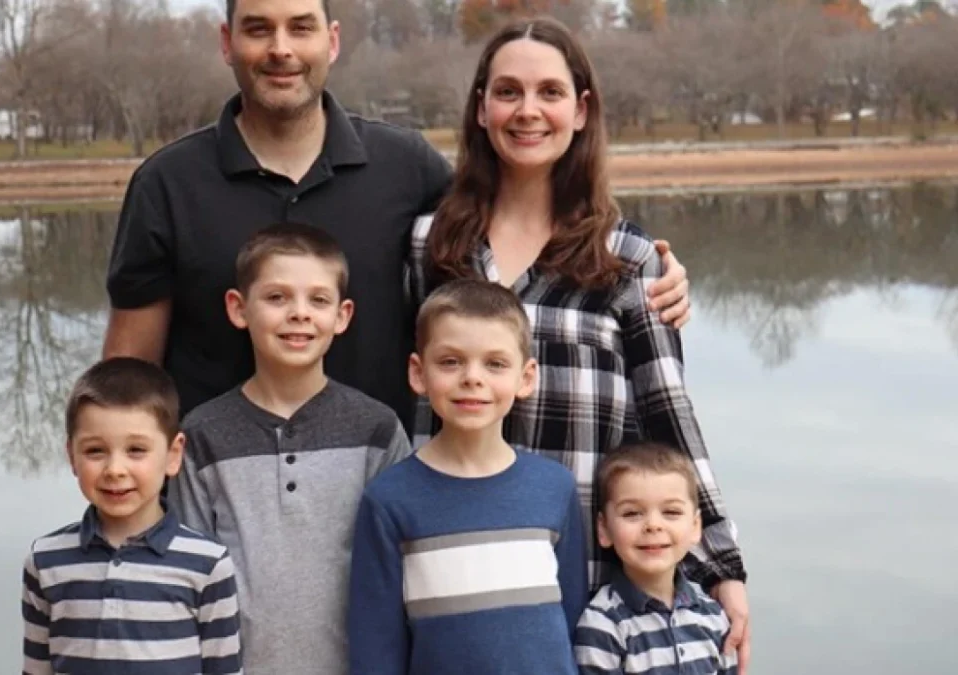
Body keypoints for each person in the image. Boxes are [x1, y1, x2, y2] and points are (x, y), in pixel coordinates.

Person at [102, 0, 692, 431]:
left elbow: (514, 217)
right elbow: (129, 375)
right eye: (259, 29)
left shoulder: (405, 168)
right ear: (228, 43)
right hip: (219, 509)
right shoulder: (167, 184)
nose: (281, 48)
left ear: (331, 42)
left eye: (300, 28)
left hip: (381, 499)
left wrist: (647, 273)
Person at [408, 16, 750, 671]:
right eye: (507, 91)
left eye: (549, 92)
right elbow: (406, 392)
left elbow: (669, 417)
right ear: (480, 108)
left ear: (581, 108)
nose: (527, 110)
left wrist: (722, 564)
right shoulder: (431, 245)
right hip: (455, 564)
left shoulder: (627, 257)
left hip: (585, 577)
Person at [171, 222, 412, 675]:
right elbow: (189, 575)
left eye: (317, 300)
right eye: (277, 297)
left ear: (342, 316)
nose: (299, 313)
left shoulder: (376, 430)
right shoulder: (203, 434)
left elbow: (398, 571)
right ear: (238, 308)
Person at [348, 279, 589, 675]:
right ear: (418, 372)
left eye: (495, 363)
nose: (472, 377)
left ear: (526, 377)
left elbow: (574, 623)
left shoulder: (554, 488)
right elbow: (376, 646)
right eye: (450, 362)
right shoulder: (389, 499)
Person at [20, 357, 243, 675]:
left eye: (136, 450)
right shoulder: (45, 561)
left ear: (173, 454)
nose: (115, 470)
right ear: (71, 456)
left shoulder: (208, 564)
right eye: (95, 451)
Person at [574, 442, 737, 675]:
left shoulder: (712, 614)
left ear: (695, 526)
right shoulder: (603, 623)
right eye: (632, 513)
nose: (653, 525)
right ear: (604, 529)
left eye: (671, 512)